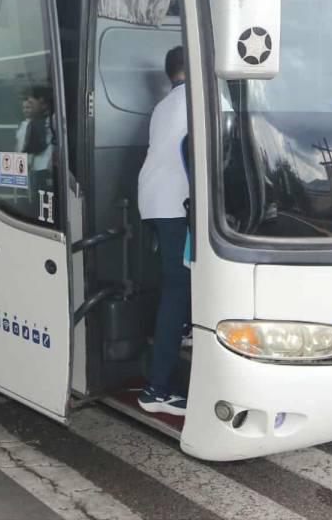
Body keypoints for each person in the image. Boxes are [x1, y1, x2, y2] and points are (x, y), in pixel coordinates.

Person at [136, 46, 191, 416]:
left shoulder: (165, 104)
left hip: (154, 201)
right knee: (177, 287)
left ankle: (184, 330)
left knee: (177, 284)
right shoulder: (199, 99)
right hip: (175, 205)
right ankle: (156, 390)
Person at [15, 86, 56, 199]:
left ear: (42, 102)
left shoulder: (52, 120)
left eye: (31, 103)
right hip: (36, 167)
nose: (28, 108)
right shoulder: (30, 123)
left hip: (45, 168)